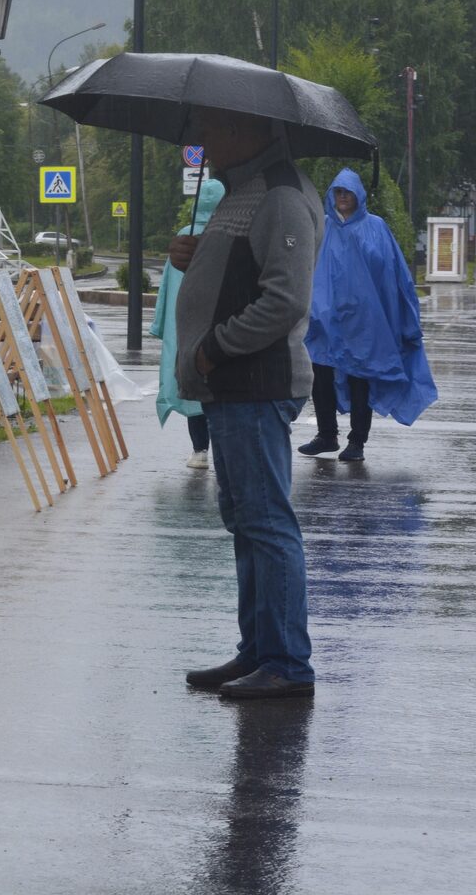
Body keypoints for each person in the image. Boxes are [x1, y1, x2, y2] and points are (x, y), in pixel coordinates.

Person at [171, 109, 323, 701]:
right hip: (231, 387)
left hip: (256, 382)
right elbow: (241, 270)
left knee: (266, 522)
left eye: (213, 130)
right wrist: (198, 253)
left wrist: (213, 349)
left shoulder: (281, 196)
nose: (204, 141)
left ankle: (286, 662)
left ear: (249, 131)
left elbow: (284, 299)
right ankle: (258, 650)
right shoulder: (244, 192)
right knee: (245, 520)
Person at [298, 169, 436, 461]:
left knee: (360, 377)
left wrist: (402, 317)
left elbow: (394, 275)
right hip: (326, 319)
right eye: (338, 192)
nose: (342, 197)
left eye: (347, 192)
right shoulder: (323, 228)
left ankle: (357, 441)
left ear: (358, 195)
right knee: (319, 375)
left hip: (364, 322)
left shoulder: (376, 227)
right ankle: (326, 434)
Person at [150, 177, 225, 470]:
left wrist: (161, 325)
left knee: (192, 385)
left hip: (186, 326)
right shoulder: (228, 234)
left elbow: (168, 288)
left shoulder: (185, 236)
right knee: (218, 389)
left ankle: (199, 451)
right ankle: (221, 449)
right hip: (219, 326)